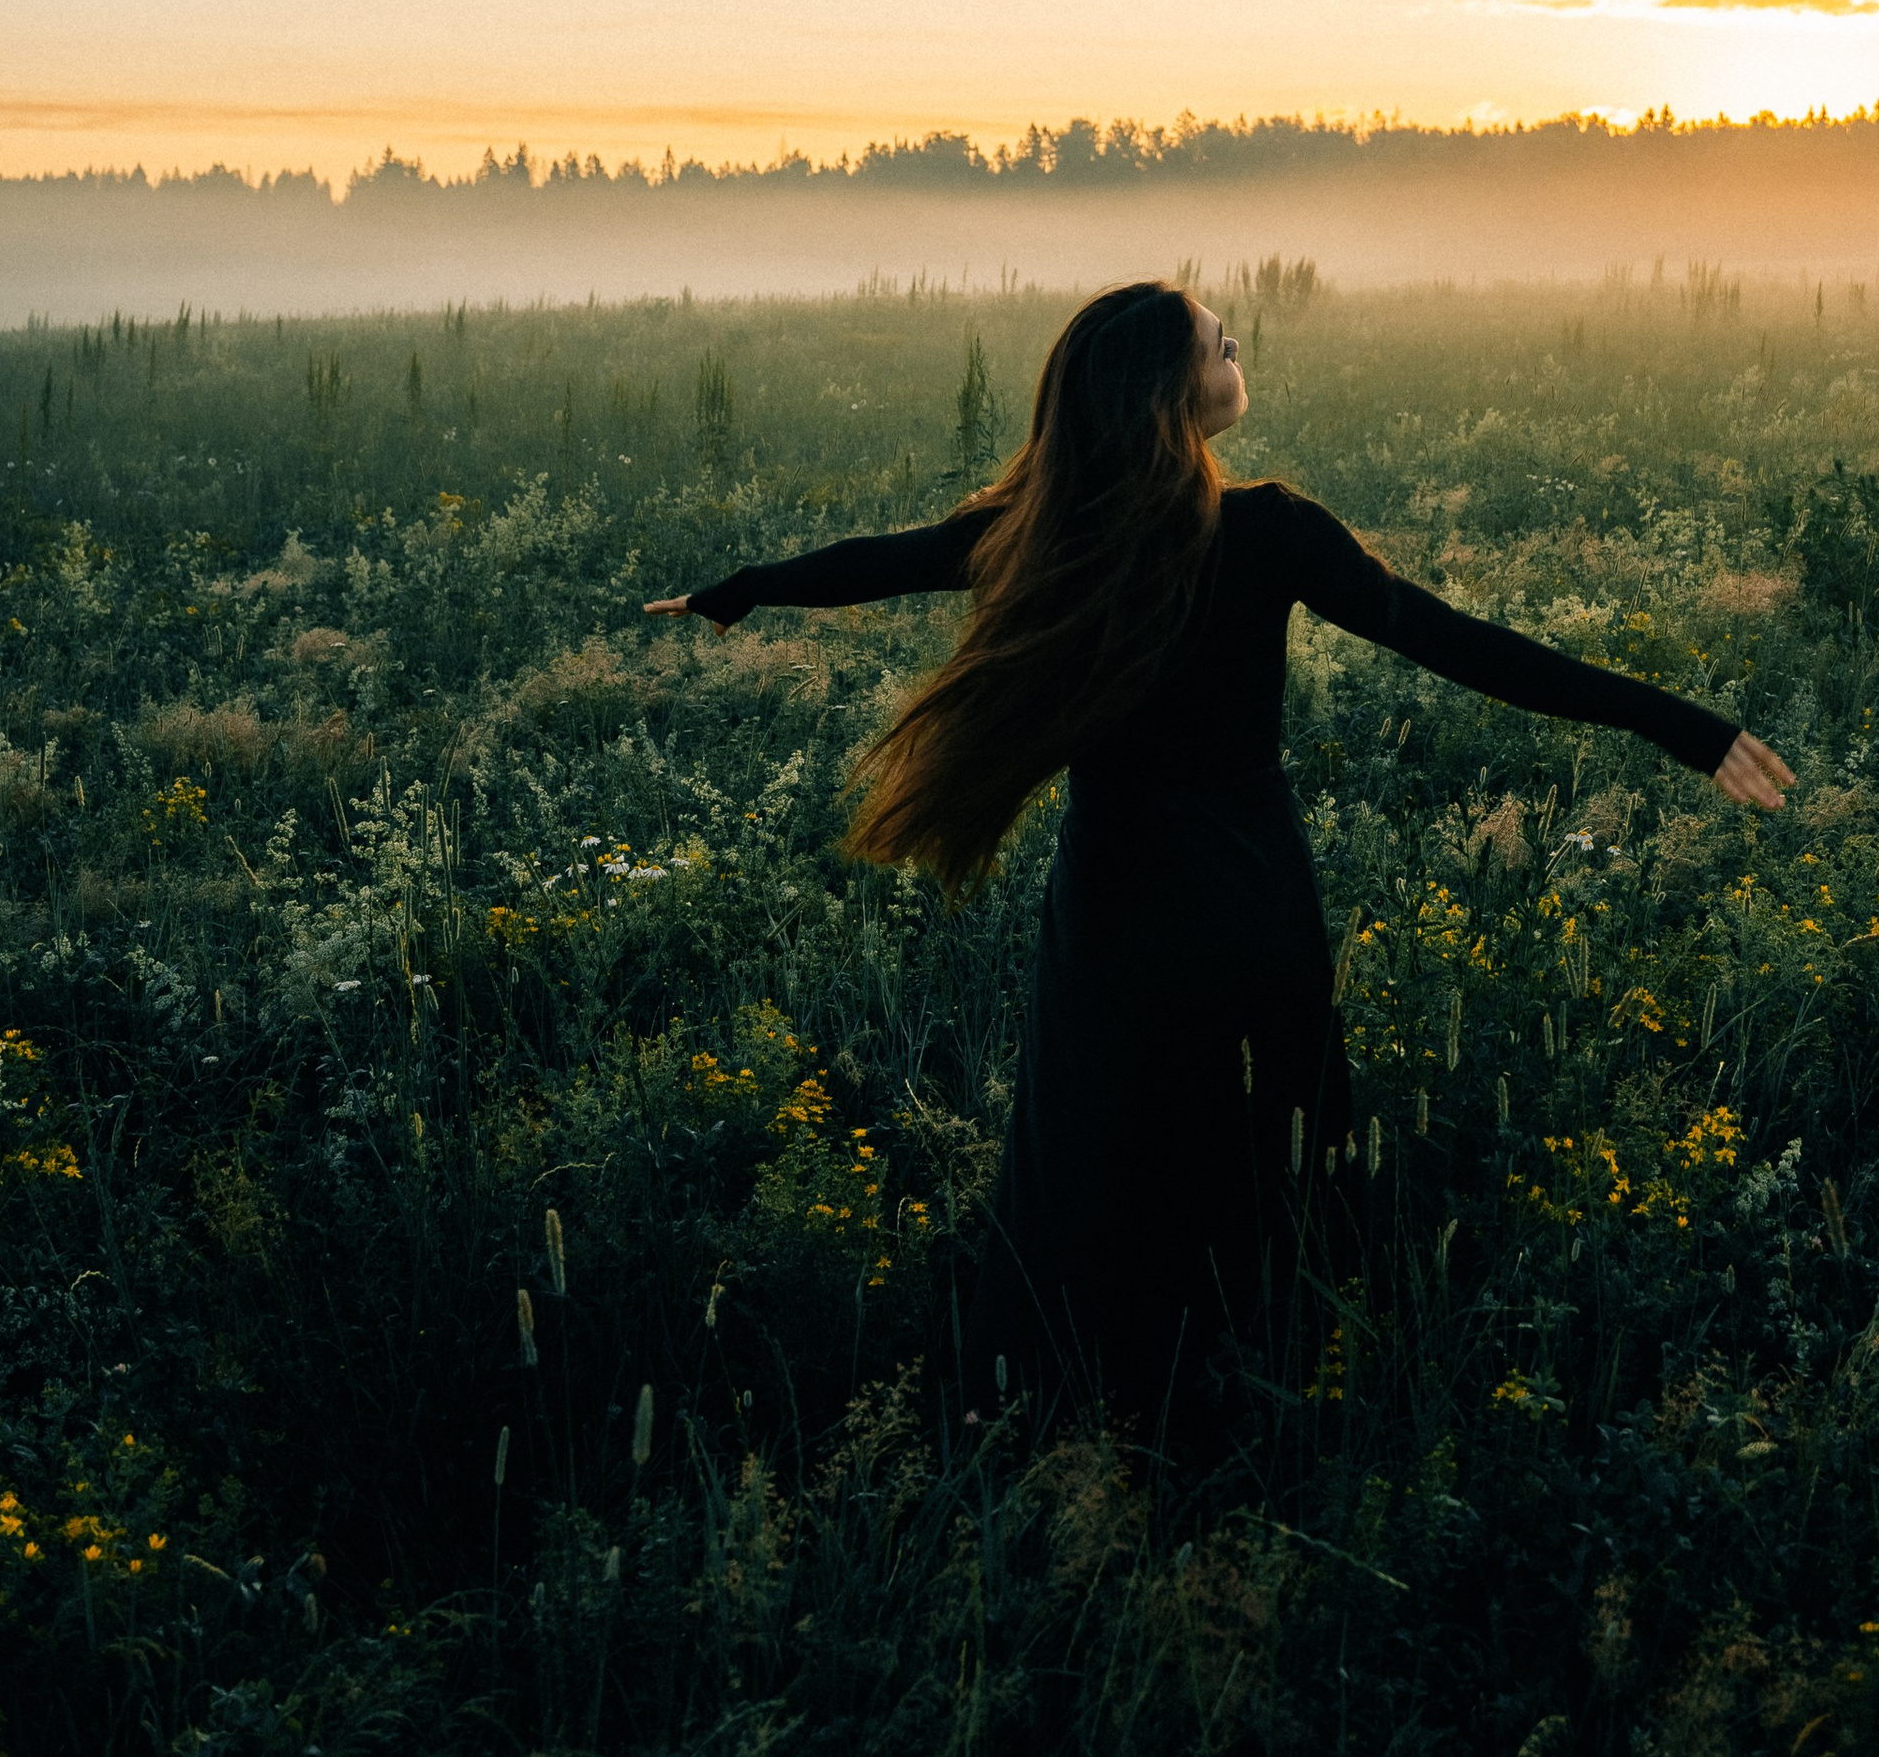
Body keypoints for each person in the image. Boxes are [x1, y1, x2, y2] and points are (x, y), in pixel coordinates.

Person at [647, 280, 1789, 1444]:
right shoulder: (1269, 529)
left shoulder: (1048, 531)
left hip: (1114, 897)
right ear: (1170, 394)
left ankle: (1070, 1404)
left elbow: (878, 560)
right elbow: (1465, 647)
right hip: (1248, 892)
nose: (1239, 350)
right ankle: (1264, 1383)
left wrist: (744, 591)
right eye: (1219, 344)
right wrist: (1679, 725)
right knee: (1265, 1142)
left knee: (1097, 1149)